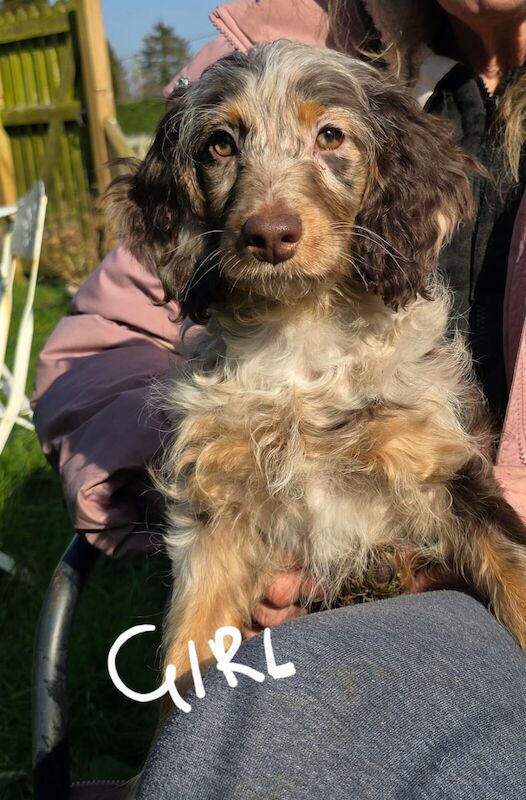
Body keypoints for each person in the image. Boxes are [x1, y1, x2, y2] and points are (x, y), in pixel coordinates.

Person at [33, 3, 526, 793]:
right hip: (279, 624)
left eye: (329, 137)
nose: (269, 214)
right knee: (228, 746)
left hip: (463, 613)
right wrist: (201, 472)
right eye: (226, 147)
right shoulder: (297, 25)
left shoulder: (405, 348)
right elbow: (98, 349)